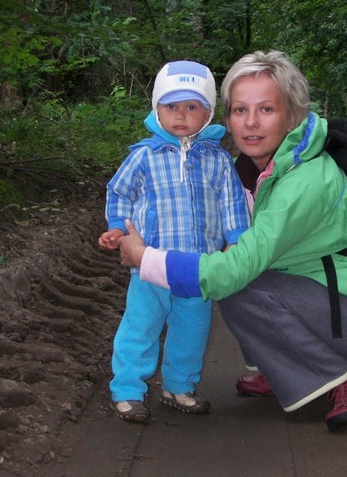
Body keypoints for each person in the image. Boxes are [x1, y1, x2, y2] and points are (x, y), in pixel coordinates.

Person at [118, 50, 347, 432]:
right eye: (240, 110)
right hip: (336, 302)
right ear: (226, 117)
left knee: (240, 285)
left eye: (266, 110)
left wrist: (146, 258)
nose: (251, 123)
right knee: (247, 278)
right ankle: (282, 369)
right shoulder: (257, 169)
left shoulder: (306, 179)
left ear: (291, 114)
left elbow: (233, 270)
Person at [99, 60, 250, 423]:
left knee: (192, 329)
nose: (180, 115)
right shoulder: (144, 156)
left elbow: (232, 204)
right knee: (142, 325)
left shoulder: (218, 160)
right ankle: (128, 389)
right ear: (157, 110)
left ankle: (179, 385)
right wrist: (118, 227)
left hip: (197, 268)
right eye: (171, 106)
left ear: (208, 113)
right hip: (148, 262)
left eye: (191, 107)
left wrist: (237, 240)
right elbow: (118, 192)